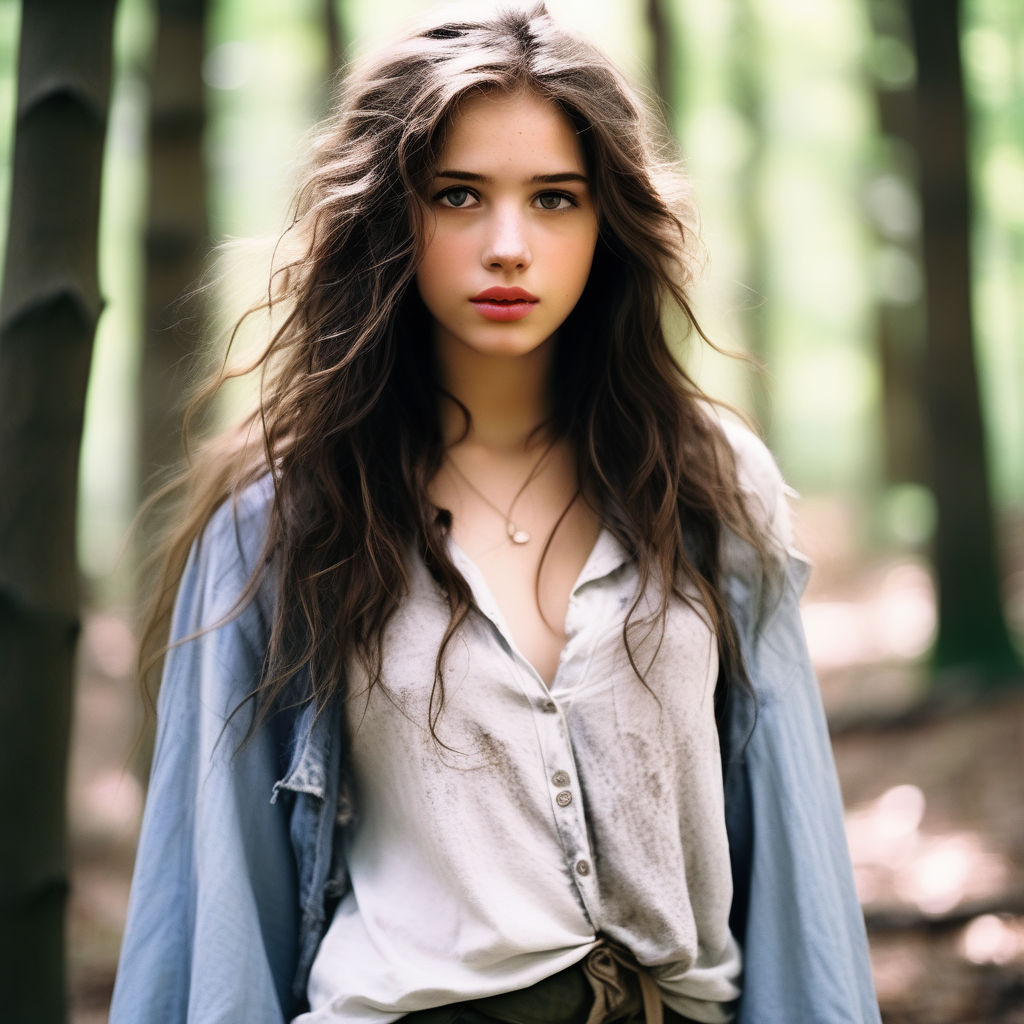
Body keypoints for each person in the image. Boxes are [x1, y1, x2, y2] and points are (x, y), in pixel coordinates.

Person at [110, 5, 880, 1023]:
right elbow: (210, 896)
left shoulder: (705, 487)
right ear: (392, 215)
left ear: (607, 222)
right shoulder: (286, 520)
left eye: (555, 199)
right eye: (459, 196)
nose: (508, 245)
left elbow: (795, 858)